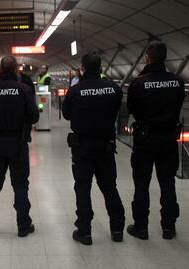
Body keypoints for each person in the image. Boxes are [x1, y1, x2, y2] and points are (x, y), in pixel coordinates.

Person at [62, 51, 125, 245]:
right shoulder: (114, 89)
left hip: (82, 146)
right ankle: (117, 229)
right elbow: (116, 112)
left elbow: (66, 114)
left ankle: (85, 232)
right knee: (109, 187)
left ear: (82, 69)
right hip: (106, 146)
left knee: (83, 188)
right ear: (101, 68)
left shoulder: (75, 90)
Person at [126, 41, 185, 240]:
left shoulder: (138, 82)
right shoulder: (177, 82)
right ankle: (168, 227)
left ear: (147, 57)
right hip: (169, 139)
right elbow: (178, 103)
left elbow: (132, 108)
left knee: (141, 183)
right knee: (168, 182)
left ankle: (141, 227)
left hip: (145, 139)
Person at [0, 56, 39, 237]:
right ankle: (23, 225)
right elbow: (34, 117)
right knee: (20, 185)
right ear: (16, 70)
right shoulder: (24, 90)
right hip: (17, 143)